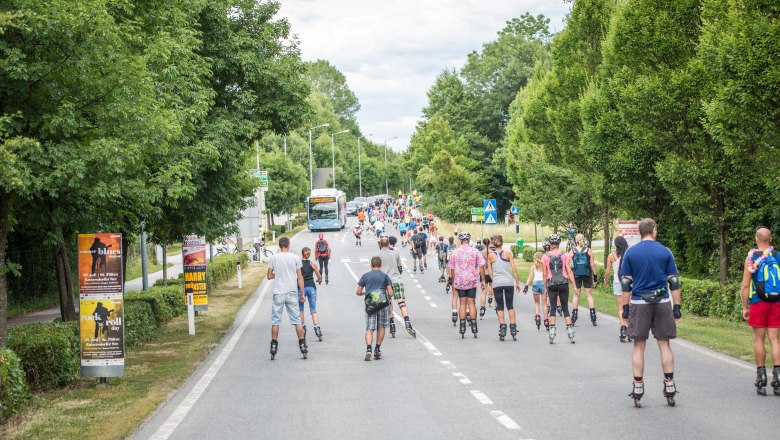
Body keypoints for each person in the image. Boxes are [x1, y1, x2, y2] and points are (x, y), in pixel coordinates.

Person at [620, 218, 682, 407]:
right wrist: (677, 307)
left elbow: (626, 283)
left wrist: (625, 307)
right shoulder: (665, 251)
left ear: (640, 232)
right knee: (664, 344)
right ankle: (669, 385)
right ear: (654, 230)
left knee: (638, 346)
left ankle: (638, 386)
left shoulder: (631, 252)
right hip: (662, 301)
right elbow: (673, 281)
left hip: (639, 302)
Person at [740, 226, 780, 396]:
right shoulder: (778, 256)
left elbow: (745, 285)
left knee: (759, 339)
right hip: (776, 301)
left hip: (758, 302)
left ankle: (761, 377)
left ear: (757, 239)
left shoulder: (751, 258)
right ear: (770, 239)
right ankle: (778, 378)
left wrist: (745, 306)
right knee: (774, 338)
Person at [268, 237, 308, 360]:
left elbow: (269, 276)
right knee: (296, 320)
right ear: (288, 245)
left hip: (278, 292)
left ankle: (273, 346)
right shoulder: (295, 258)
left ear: (280, 246)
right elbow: (300, 277)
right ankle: (302, 344)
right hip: (291, 292)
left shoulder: (274, 258)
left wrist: (278, 274)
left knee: (276, 320)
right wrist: (302, 293)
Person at [356, 256, 395, 361]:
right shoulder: (385, 276)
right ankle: (377, 349)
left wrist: (366, 293)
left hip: (370, 303)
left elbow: (358, 292)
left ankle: (369, 349)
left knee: (370, 328)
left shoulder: (365, 276)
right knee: (381, 326)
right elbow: (391, 293)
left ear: (371, 265)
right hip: (382, 302)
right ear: (381, 265)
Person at [448, 232, 486, 338]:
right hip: (471, 280)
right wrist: (483, 280)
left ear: (460, 241)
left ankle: (462, 326)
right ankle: (474, 326)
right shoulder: (475, 251)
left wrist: (453, 280)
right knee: (471, 304)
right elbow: (482, 266)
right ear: (469, 241)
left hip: (460, 281)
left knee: (463, 304)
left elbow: (452, 268)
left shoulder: (455, 252)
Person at [542, 234, 576, 344]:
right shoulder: (565, 255)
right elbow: (569, 271)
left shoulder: (545, 256)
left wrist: (545, 287)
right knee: (565, 307)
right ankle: (570, 330)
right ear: (559, 243)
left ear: (550, 244)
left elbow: (544, 273)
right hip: (563, 282)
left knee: (552, 308)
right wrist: (574, 285)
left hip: (551, 283)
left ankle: (552, 331)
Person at [378, 237, 416, 338]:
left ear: (380, 245)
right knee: (401, 302)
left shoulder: (377, 255)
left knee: (389, 303)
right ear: (388, 244)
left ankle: (392, 324)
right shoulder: (395, 253)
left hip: (384, 282)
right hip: (396, 280)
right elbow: (400, 268)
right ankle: (407, 323)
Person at [487, 235, 522, 341]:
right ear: (502, 243)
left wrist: (494, 280)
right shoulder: (508, 254)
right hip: (508, 282)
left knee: (500, 306)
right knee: (510, 305)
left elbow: (490, 271)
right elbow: (514, 269)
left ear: (493, 244)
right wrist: (517, 282)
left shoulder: (491, 256)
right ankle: (513, 327)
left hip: (497, 283)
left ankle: (502, 328)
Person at [604, 236, 630, 342]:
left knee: (620, 308)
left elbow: (608, 272)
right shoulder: (628, 254)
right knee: (629, 306)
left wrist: (606, 280)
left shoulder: (611, 256)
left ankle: (623, 328)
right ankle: (629, 328)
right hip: (628, 282)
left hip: (617, 282)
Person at [569, 233, 598, 326]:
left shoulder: (572, 251)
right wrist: (595, 277)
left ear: (576, 241)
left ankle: (574, 316)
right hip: (587, 274)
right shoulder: (588, 250)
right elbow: (592, 265)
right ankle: (593, 317)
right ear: (583, 239)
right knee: (589, 295)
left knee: (576, 295)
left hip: (576, 275)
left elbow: (570, 265)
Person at [299, 247, 323, 342]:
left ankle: (303, 328)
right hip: (311, 287)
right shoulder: (312, 264)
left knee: (301, 309)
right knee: (313, 309)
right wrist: (318, 279)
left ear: (302, 254)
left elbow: (297, 277)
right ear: (309, 254)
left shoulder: (298, 264)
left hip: (301, 288)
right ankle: (317, 328)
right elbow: (319, 276)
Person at [524, 252, 549, 331]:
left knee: (536, 303)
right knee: (544, 304)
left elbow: (530, 277)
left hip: (535, 284)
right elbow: (547, 276)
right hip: (543, 284)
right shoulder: (544, 266)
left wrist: (526, 286)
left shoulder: (533, 267)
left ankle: (537, 316)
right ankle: (546, 320)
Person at [479, 237, 494, 318]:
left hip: (484, 273)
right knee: (493, 289)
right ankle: (497, 307)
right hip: (491, 273)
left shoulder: (481, 253)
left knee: (484, 292)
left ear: (483, 244)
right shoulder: (493, 253)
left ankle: (482, 307)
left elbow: (480, 265)